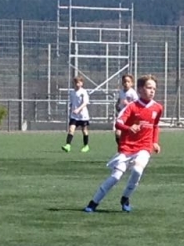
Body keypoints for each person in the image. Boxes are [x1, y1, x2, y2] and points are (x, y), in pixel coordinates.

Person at [83, 75, 162, 213]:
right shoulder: (132, 107)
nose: (152, 91)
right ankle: (93, 202)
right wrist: (128, 128)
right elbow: (118, 123)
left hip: (144, 147)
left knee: (137, 170)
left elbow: (155, 126)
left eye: (154, 88)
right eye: (149, 87)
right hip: (126, 147)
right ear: (140, 89)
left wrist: (155, 142)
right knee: (115, 177)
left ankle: (125, 198)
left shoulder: (157, 107)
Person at [62, 75, 90, 152]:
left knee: (84, 131)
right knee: (71, 129)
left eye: (79, 82)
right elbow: (71, 103)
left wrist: (78, 109)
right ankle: (68, 145)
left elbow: (85, 103)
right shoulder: (72, 92)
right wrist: (69, 108)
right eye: (76, 83)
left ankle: (86, 146)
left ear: (82, 83)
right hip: (74, 116)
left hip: (83, 116)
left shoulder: (83, 92)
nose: (77, 84)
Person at [114, 74, 138, 142]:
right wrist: (117, 105)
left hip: (129, 116)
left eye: (128, 82)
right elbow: (119, 100)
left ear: (132, 83)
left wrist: (128, 104)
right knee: (118, 133)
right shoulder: (121, 91)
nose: (126, 83)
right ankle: (120, 146)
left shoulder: (133, 93)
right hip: (122, 114)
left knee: (129, 133)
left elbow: (136, 104)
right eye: (124, 81)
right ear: (122, 83)